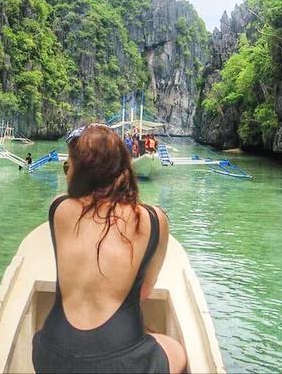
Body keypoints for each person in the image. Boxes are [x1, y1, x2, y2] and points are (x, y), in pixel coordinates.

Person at [32, 123, 186, 374]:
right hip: (123, 365)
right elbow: (145, 291)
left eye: (68, 166)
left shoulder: (58, 209)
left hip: (51, 358)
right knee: (176, 351)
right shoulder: (154, 220)